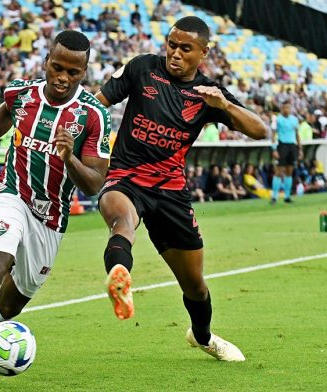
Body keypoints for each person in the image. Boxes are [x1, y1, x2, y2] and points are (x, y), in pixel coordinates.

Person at [0, 30, 111, 388]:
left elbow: (94, 183)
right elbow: (5, 112)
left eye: (73, 73)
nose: (62, 78)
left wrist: (70, 158)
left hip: (51, 217)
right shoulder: (21, 93)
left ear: (85, 71)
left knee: (11, 305)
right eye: (57, 67)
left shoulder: (93, 116)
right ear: (46, 60)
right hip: (11, 194)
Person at [93, 17, 267, 361]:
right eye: (171, 44)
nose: (174, 53)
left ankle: (203, 337)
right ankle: (119, 276)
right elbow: (96, 105)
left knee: (195, 285)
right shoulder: (142, 68)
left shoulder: (207, 94)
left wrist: (225, 106)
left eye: (185, 48)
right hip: (126, 177)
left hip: (171, 192)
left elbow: (259, 130)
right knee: (122, 222)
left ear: (203, 52)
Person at [271, 102, 302, 204]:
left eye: (288, 108)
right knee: (279, 171)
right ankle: (274, 196)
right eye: (285, 108)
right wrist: (274, 149)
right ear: (282, 109)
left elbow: (297, 135)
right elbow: (273, 135)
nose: (287, 110)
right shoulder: (277, 119)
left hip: (292, 146)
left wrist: (300, 149)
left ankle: (287, 196)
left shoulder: (294, 119)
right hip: (282, 145)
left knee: (289, 171)